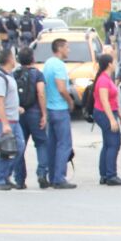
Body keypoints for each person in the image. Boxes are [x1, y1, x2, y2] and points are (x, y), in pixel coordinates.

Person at [41, 37, 77, 189]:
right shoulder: (59, 65)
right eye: (67, 47)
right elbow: (62, 88)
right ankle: (59, 178)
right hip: (60, 108)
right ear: (60, 48)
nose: (68, 50)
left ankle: (52, 175)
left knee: (52, 144)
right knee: (64, 144)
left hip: (50, 108)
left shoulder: (48, 63)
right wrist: (70, 101)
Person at [13, 47, 49, 189]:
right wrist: (44, 114)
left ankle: (19, 179)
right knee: (41, 143)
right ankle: (42, 173)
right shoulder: (37, 74)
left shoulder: (14, 74)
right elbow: (40, 93)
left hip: (19, 113)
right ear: (33, 59)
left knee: (20, 146)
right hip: (34, 112)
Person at [0, 48, 24, 190]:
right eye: (13, 57)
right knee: (4, 150)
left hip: (13, 119)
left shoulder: (8, 75)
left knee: (18, 148)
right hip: (3, 121)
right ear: (9, 59)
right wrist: (4, 124)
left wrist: (17, 108)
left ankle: (6, 176)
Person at [91, 51, 121, 186]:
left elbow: (112, 100)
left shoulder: (106, 78)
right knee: (113, 143)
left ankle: (105, 174)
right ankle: (111, 175)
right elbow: (104, 101)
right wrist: (112, 119)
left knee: (107, 144)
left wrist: (119, 114)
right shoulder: (103, 80)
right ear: (109, 64)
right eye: (114, 62)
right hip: (104, 113)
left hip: (109, 112)